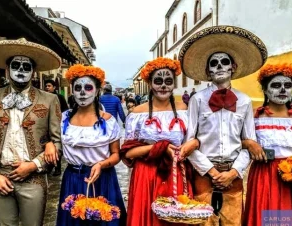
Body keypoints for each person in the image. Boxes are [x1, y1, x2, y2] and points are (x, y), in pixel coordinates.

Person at [179, 25, 268, 225]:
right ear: (208, 71)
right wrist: (211, 171)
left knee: (233, 221)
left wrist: (233, 173)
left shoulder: (244, 101)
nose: (219, 66)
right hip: (203, 171)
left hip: (232, 173)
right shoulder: (197, 100)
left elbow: (249, 142)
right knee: (204, 221)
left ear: (232, 68)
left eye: (224, 62)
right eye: (214, 63)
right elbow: (190, 143)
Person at [0, 38, 62, 226]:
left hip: (34, 179)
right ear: (7, 70)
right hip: (0, 176)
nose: (20, 70)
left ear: (34, 72)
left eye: (26, 67)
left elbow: (59, 142)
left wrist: (33, 165)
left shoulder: (50, 100)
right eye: (16, 65)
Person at [121, 57, 199, 226]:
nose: (163, 85)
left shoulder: (185, 110)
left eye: (168, 81)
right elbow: (127, 152)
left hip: (175, 172)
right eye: (158, 81)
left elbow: (193, 140)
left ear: (174, 84)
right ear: (150, 83)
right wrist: (159, 148)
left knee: (176, 218)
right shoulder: (137, 113)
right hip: (145, 174)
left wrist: (193, 143)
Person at [55, 64, 126, 226]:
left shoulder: (108, 121)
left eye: (88, 87)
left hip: (103, 179)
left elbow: (116, 155)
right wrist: (49, 145)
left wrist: (101, 164)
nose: (82, 92)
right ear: (72, 90)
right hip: (73, 179)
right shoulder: (64, 118)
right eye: (78, 87)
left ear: (97, 91)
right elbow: (52, 139)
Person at [243, 64, 292, 226]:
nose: (283, 90)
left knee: (291, 219)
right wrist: (249, 143)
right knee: (269, 219)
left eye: (287, 85)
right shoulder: (254, 116)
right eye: (276, 85)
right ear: (265, 89)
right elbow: (238, 141)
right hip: (265, 174)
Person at [45, 79, 68, 176]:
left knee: (56, 145)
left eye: (49, 86)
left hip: (57, 125)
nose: (47, 88)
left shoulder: (60, 97)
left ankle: (57, 167)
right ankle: (48, 166)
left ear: (54, 87)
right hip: (45, 125)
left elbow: (65, 110)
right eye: (46, 86)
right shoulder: (43, 97)